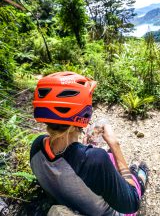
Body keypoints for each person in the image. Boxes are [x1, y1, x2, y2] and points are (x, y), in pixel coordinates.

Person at [30, 71, 149, 216]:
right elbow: (131, 204)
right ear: (83, 113)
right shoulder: (93, 160)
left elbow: (67, 163)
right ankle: (141, 175)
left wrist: (84, 150)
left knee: (109, 160)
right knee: (134, 176)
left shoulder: (36, 147)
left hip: (71, 202)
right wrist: (115, 145)